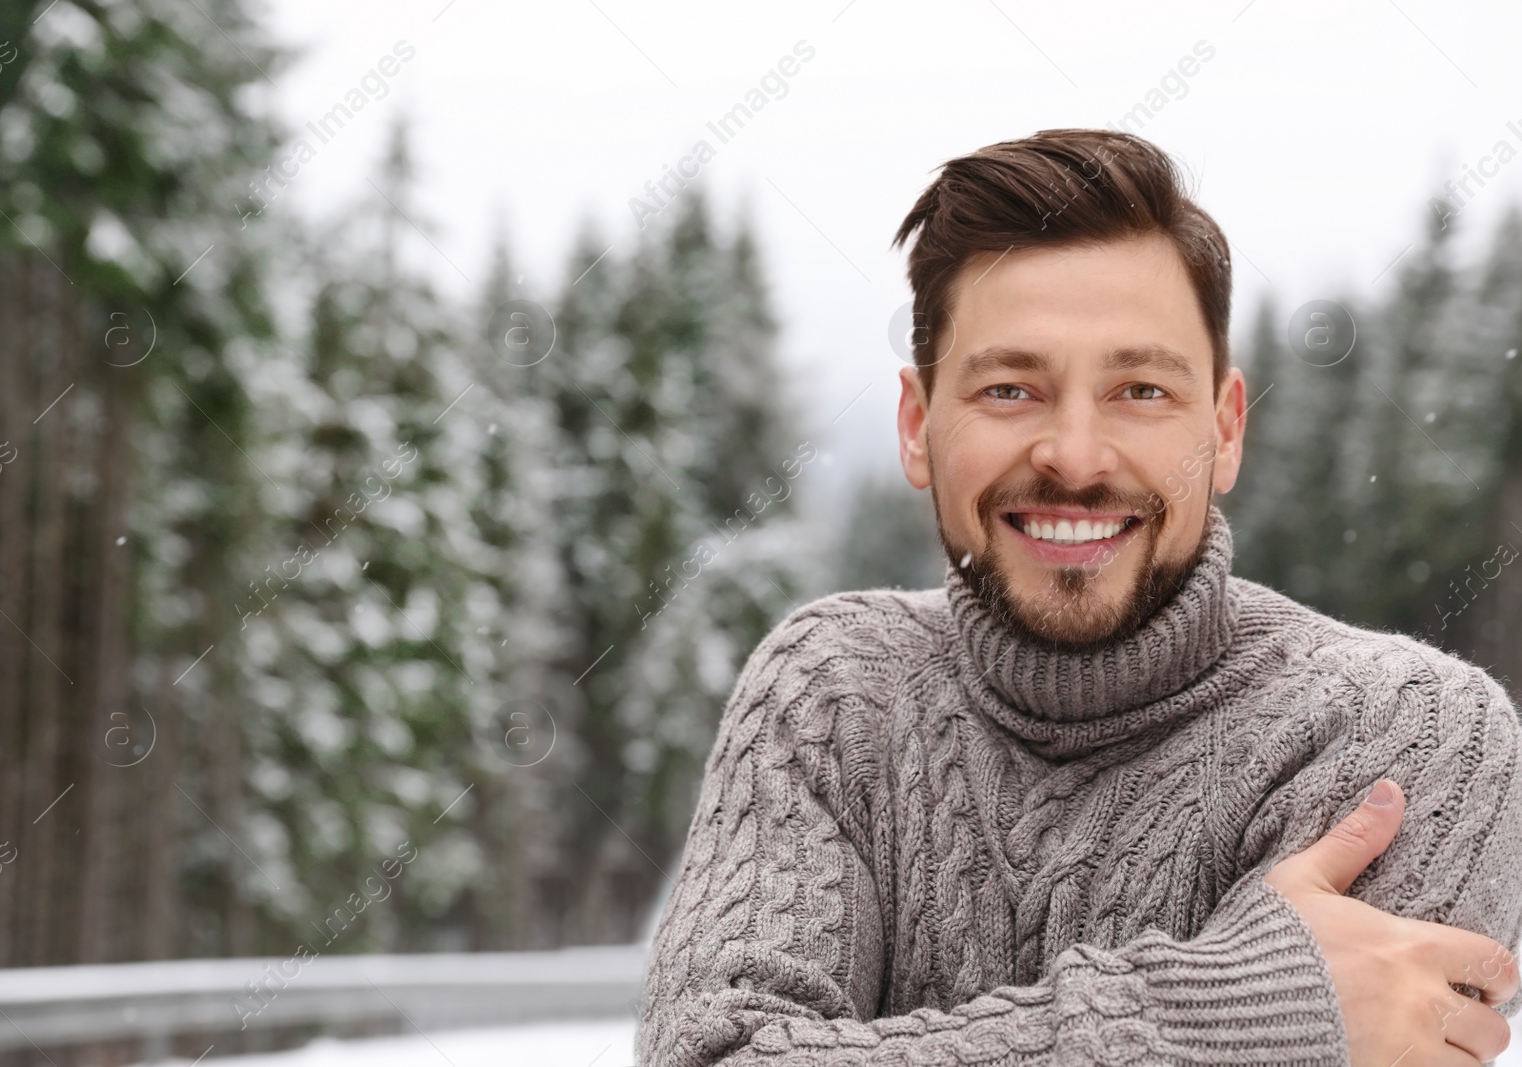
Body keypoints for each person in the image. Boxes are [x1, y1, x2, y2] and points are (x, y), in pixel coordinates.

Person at [633, 128, 1522, 1066]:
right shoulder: (832, 696)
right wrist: (1230, 1010)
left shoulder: (1408, 730)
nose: (1075, 455)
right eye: (1011, 388)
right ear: (916, 426)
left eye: (1140, 389)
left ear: (1224, 430)